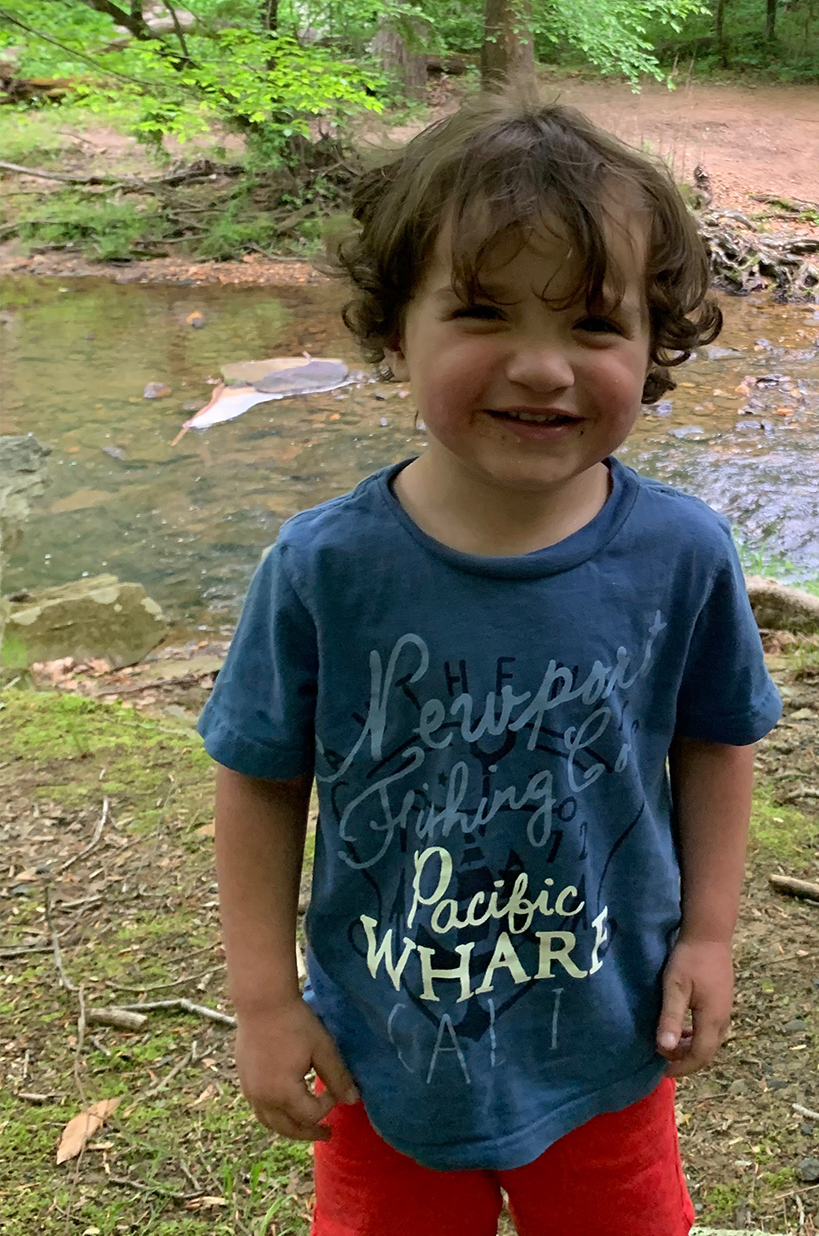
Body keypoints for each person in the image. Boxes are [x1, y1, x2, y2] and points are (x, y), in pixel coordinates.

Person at [200, 99, 781, 1236]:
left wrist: (709, 935)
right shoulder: (325, 568)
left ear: (655, 345)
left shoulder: (681, 555)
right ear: (393, 333)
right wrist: (264, 1000)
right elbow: (260, 777)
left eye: (595, 323)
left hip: (607, 1044)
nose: (542, 366)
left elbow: (716, 740)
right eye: (480, 310)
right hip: (382, 1058)